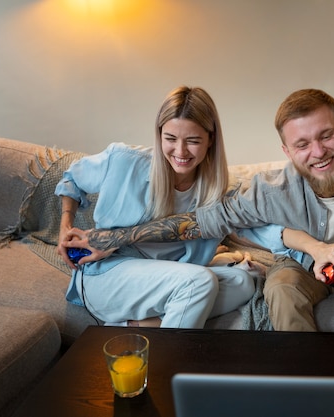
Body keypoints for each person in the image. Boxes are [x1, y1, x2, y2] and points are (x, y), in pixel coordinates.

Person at [65, 88, 334, 334]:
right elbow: (200, 223)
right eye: (302, 144)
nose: (317, 152)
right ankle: (306, 392)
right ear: (286, 151)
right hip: (297, 266)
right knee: (277, 289)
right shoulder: (268, 188)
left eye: (326, 136)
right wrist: (112, 238)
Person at [55, 86, 288, 329]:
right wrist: (65, 225)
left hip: (174, 277)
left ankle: (139, 326)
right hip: (107, 273)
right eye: (170, 139)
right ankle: (166, 363)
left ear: (211, 140)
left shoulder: (222, 191)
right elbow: (71, 178)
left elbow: (266, 230)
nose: (180, 152)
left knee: (242, 281)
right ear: (159, 135)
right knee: (200, 281)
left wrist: (315, 249)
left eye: (193, 141)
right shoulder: (124, 160)